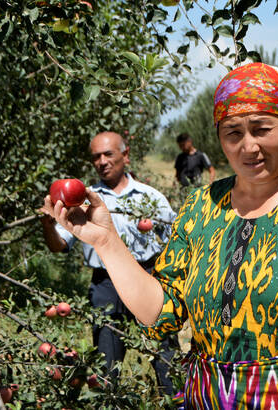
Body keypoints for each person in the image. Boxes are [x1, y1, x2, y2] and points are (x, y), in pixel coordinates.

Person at [42, 64, 278, 409]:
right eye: (233, 133)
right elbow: (161, 310)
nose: (248, 147)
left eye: (262, 129)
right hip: (209, 399)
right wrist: (105, 241)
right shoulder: (200, 207)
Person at [39, 131, 178, 396]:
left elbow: (175, 243)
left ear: (125, 156)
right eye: (96, 157)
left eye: (108, 154)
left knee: (166, 357)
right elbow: (59, 245)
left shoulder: (151, 198)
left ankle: (176, 400)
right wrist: (48, 224)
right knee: (106, 363)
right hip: (105, 286)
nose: (102, 161)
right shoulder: (79, 201)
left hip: (147, 277)